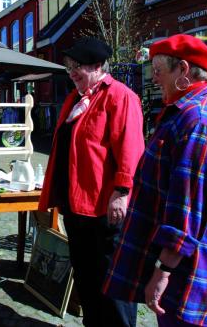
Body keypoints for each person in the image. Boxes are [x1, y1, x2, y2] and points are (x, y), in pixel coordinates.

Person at [103, 34, 207, 327]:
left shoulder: (197, 119)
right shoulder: (183, 112)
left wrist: (163, 270)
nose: (153, 78)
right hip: (184, 266)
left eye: (159, 70)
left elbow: (187, 208)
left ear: (184, 70)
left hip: (188, 274)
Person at [39, 36, 145, 327]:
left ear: (98, 66)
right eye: (69, 67)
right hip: (76, 207)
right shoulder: (75, 99)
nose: (71, 72)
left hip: (104, 208)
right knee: (87, 280)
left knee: (113, 285)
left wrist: (122, 191)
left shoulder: (120, 96)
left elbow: (130, 149)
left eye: (77, 66)